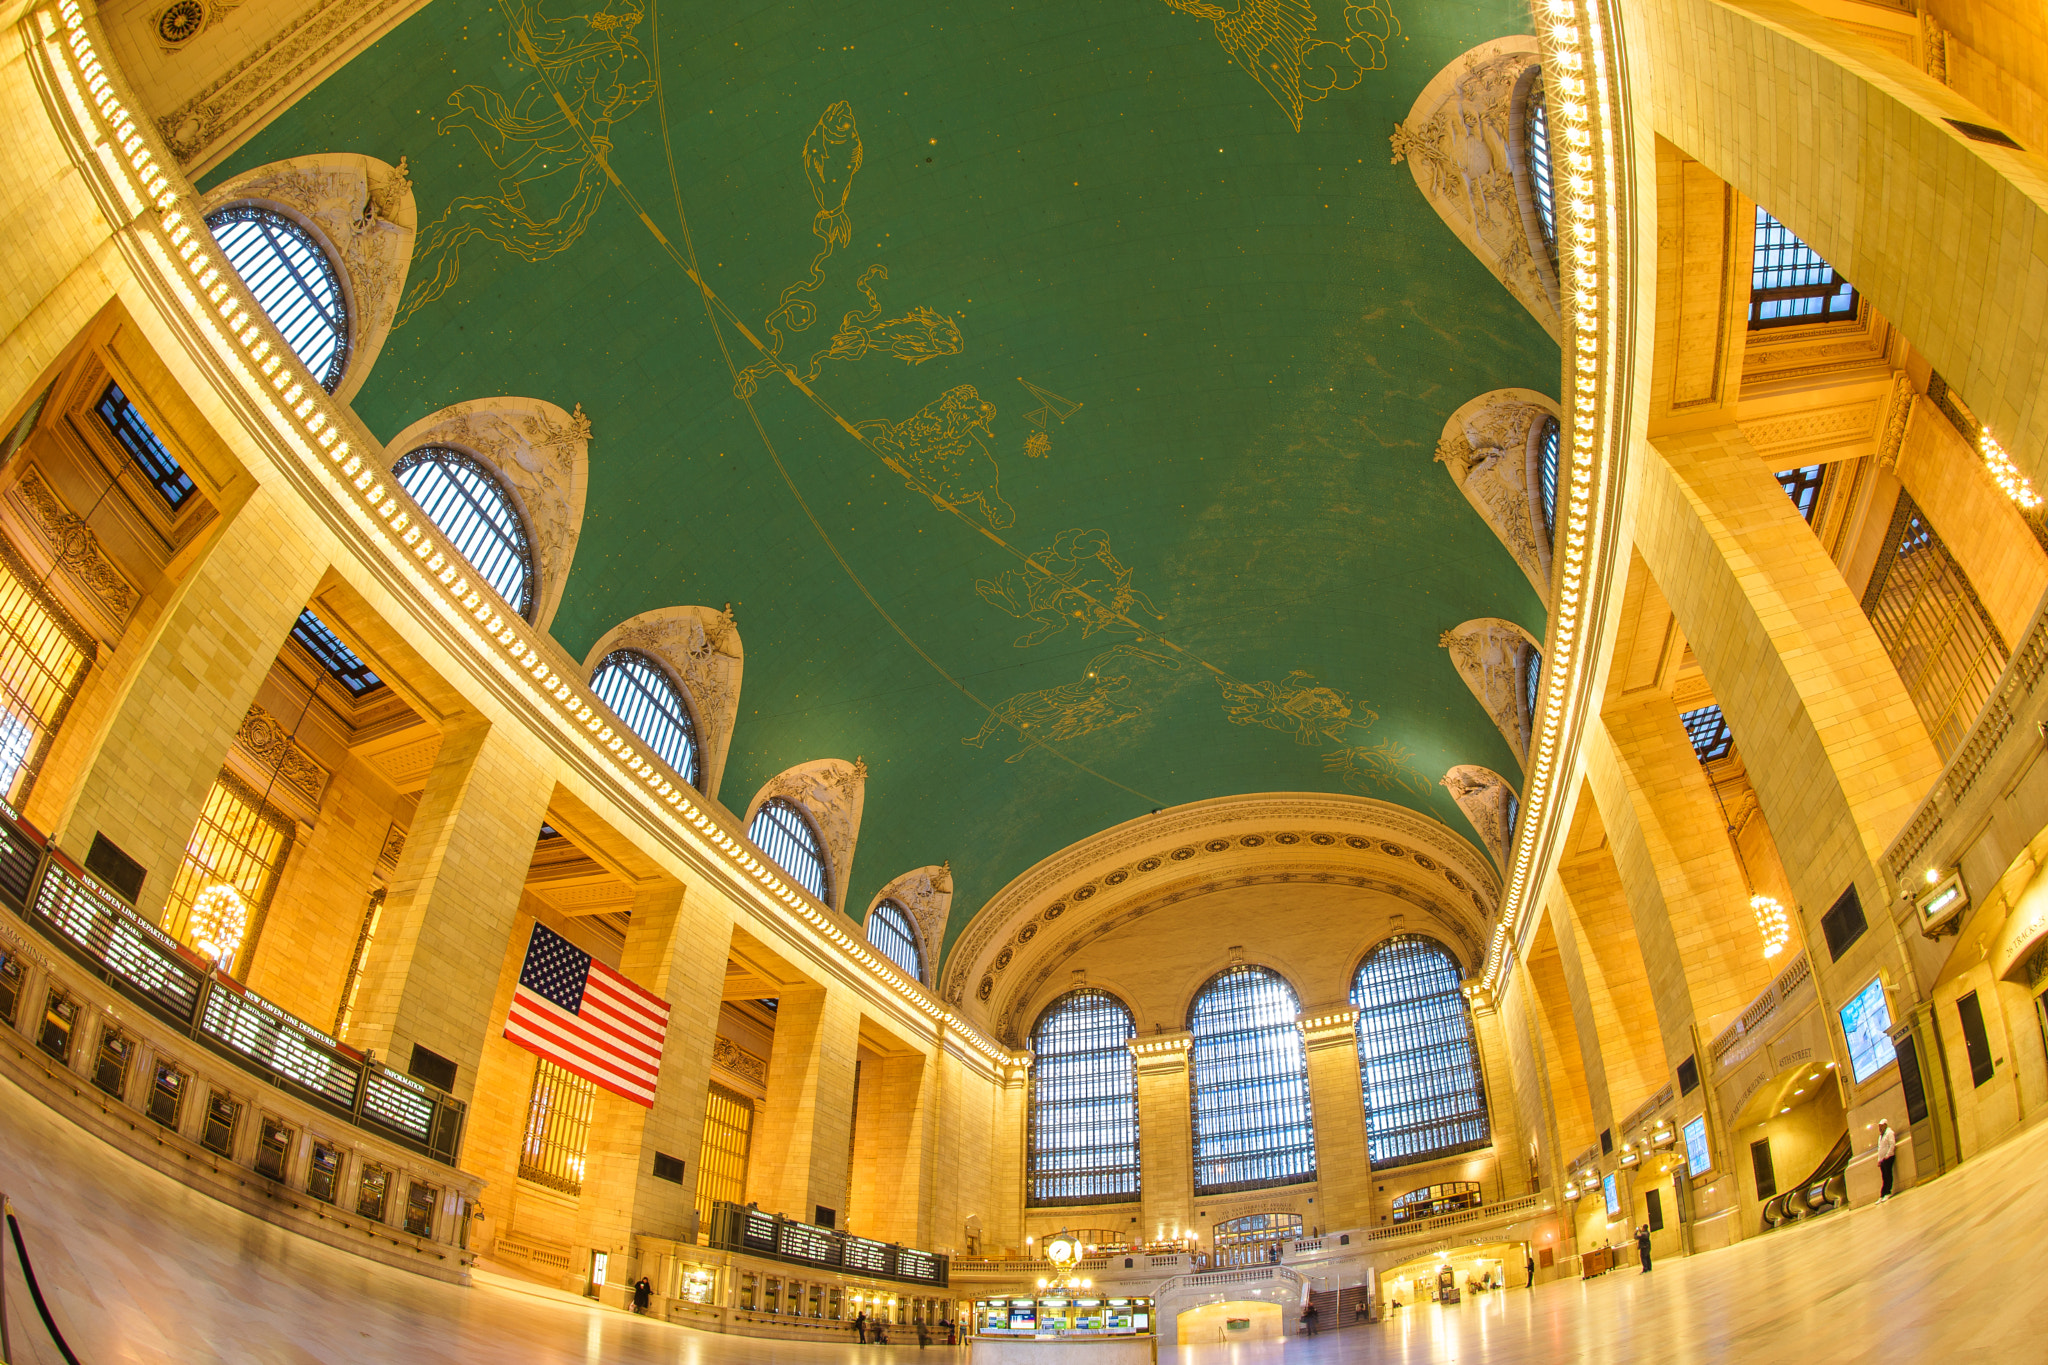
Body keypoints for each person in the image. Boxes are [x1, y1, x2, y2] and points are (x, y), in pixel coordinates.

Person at [1876, 1119, 1898, 1201]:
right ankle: (1882, 1195)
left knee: (1888, 1175)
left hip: (1888, 1158)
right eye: (1879, 1126)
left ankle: (1888, 1192)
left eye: (1881, 1126)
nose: (1880, 1128)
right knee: (1884, 1176)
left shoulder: (1889, 1133)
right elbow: (1880, 1149)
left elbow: (1892, 1144)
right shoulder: (1880, 1136)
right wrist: (1879, 1160)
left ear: (1885, 1125)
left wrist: (1887, 1156)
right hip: (1882, 1160)